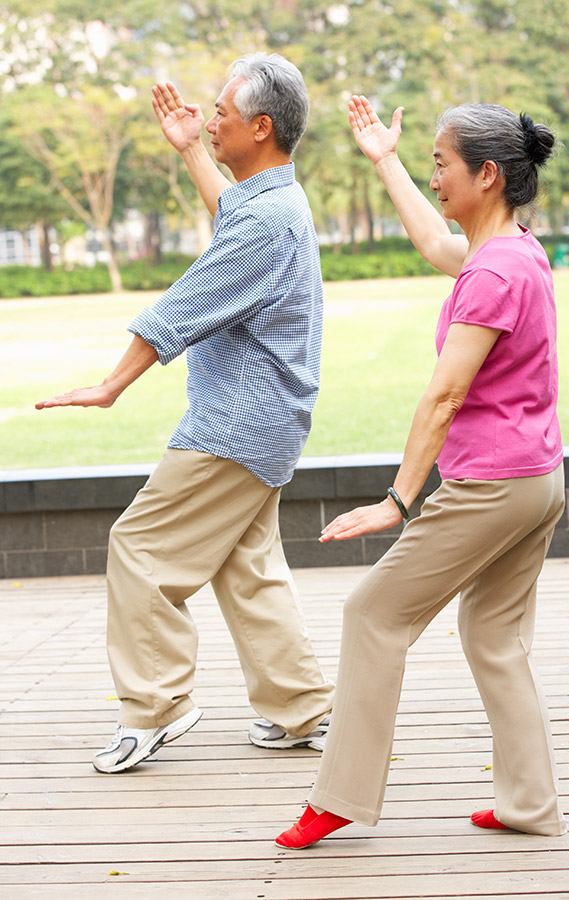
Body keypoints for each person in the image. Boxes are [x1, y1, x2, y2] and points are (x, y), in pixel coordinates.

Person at [275, 95, 566, 849]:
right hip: (538, 480)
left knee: (373, 615)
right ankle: (530, 802)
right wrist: (386, 161)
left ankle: (339, 797)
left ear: (488, 175)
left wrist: (398, 501)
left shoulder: (493, 273)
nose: (435, 178)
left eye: (442, 165)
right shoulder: (516, 251)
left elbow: (443, 395)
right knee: (493, 635)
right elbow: (438, 244)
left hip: (491, 488)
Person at [35, 52, 334, 773]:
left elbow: (181, 309)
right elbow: (233, 215)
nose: (211, 120)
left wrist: (111, 384)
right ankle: (300, 708)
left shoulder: (267, 223)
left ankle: (156, 707)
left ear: (260, 127)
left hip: (234, 424)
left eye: (222, 115)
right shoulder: (273, 201)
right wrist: (191, 149)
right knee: (246, 565)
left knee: (138, 549)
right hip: (267, 422)